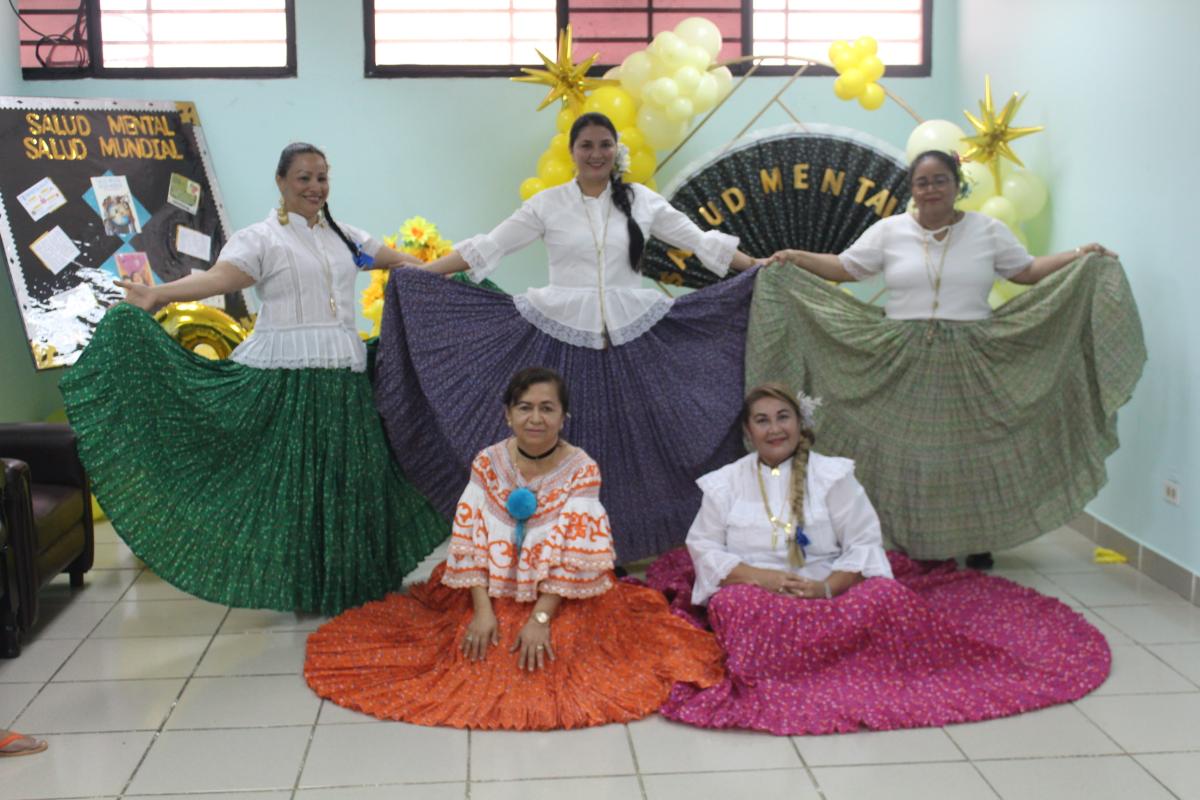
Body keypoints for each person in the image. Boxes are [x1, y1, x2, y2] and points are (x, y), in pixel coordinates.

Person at [59, 143, 447, 615]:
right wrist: (159, 293)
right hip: (287, 381)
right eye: (303, 178)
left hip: (345, 379)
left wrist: (458, 275)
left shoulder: (346, 238)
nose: (315, 187)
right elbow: (222, 279)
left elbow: (404, 263)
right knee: (299, 489)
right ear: (281, 182)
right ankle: (306, 583)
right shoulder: (261, 238)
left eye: (322, 177)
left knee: (351, 481)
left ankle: (353, 580)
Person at [375, 112, 762, 564]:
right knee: (562, 443)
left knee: (630, 444)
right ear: (573, 152)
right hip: (559, 335)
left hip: (631, 337)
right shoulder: (548, 203)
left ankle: (620, 549)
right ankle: (559, 549)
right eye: (587, 145)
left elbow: (702, 244)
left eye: (605, 144)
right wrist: (421, 274)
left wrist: (757, 267)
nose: (596, 154)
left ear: (617, 150)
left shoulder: (642, 201)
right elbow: (489, 246)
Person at [646, 384, 1110, 735]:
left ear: (800, 423)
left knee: (886, 596)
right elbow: (704, 547)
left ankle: (851, 672)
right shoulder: (724, 483)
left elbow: (865, 543)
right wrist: (762, 579)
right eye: (762, 420)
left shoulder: (833, 475)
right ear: (748, 432)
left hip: (828, 586)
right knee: (734, 608)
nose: (774, 429)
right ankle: (804, 677)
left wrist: (828, 587)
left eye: (783, 417)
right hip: (757, 590)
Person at [755, 149, 1145, 566]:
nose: (931, 189)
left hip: (972, 354)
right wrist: (797, 258)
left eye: (940, 179)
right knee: (907, 451)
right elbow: (848, 268)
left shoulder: (987, 230)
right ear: (913, 189)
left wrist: (1078, 254)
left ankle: (977, 539)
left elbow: (1025, 271)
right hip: (900, 354)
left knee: (970, 450)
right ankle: (900, 535)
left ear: (957, 184)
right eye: (922, 182)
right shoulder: (889, 231)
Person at [305, 368, 724, 730]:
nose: (536, 417)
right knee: (481, 648)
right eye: (524, 407)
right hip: (490, 588)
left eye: (547, 407)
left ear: (564, 417)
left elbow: (574, 557)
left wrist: (541, 617)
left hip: (563, 595)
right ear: (508, 414)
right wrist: (483, 610)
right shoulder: (488, 463)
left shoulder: (582, 468)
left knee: (554, 649)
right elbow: (470, 541)